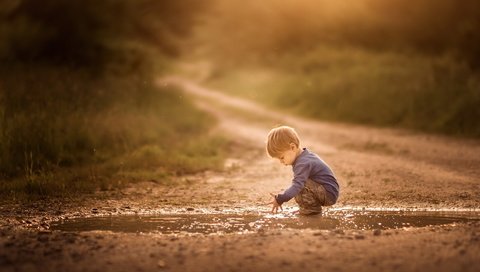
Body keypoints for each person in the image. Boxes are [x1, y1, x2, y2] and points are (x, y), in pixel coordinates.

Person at [266, 125, 339, 215]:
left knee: (298, 185)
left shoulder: (303, 163)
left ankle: (311, 211)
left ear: (292, 147)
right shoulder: (304, 157)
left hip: (328, 194)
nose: (281, 162)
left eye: (282, 157)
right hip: (325, 190)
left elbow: (297, 186)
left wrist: (280, 199)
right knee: (299, 183)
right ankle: (307, 208)